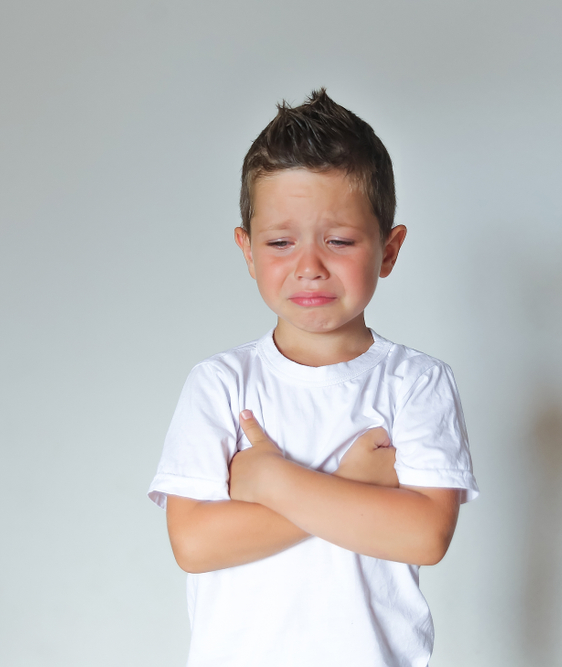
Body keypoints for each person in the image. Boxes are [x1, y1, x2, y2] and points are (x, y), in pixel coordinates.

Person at [148, 89, 479, 667]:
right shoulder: (221, 384)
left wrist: (271, 480)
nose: (309, 265)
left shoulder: (416, 383)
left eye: (340, 240)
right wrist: (351, 484)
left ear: (389, 249)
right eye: (280, 242)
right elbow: (195, 543)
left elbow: (423, 536)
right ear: (247, 250)